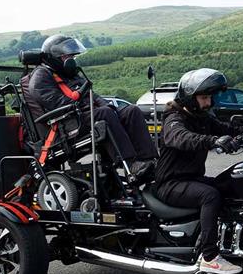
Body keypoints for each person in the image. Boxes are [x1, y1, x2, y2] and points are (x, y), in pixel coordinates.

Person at [21, 34, 158, 179]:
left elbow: (94, 95)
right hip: (67, 124)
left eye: (73, 57)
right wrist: (88, 103)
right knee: (104, 114)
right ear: (53, 57)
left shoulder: (70, 74)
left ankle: (149, 161)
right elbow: (59, 104)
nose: (71, 61)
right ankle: (130, 165)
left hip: (84, 116)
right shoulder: (40, 78)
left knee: (131, 111)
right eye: (67, 57)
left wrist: (111, 108)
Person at [153, 68, 243, 274]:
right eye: (204, 97)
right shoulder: (174, 118)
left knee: (231, 185)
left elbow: (224, 128)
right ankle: (209, 257)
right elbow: (180, 137)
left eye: (210, 97)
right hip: (170, 183)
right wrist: (213, 141)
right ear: (189, 97)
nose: (208, 103)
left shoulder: (202, 117)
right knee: (210, 196)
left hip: (191, 179)